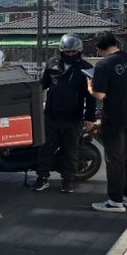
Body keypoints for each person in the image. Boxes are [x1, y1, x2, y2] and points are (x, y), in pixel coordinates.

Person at [87, 31, 127, 213]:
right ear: (115, 43)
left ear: (98, 48)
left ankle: (115, 201)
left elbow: (100, 95)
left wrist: (90, 87)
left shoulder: (103, 65)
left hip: (113, 117)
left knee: (114, 159)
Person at [33, 34, 96, 193]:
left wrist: (89, 118)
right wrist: (29, 92)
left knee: (71, 151)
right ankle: (42, 178)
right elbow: (43, 84)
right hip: (51, 115)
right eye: (67, 51)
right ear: (61, 50)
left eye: (73, 52)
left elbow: (91, 96)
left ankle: (68, 181)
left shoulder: (86, 68)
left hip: (73, 118)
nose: (70, 54)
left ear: (79, 51)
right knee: (45, 149)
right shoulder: (52, 63)